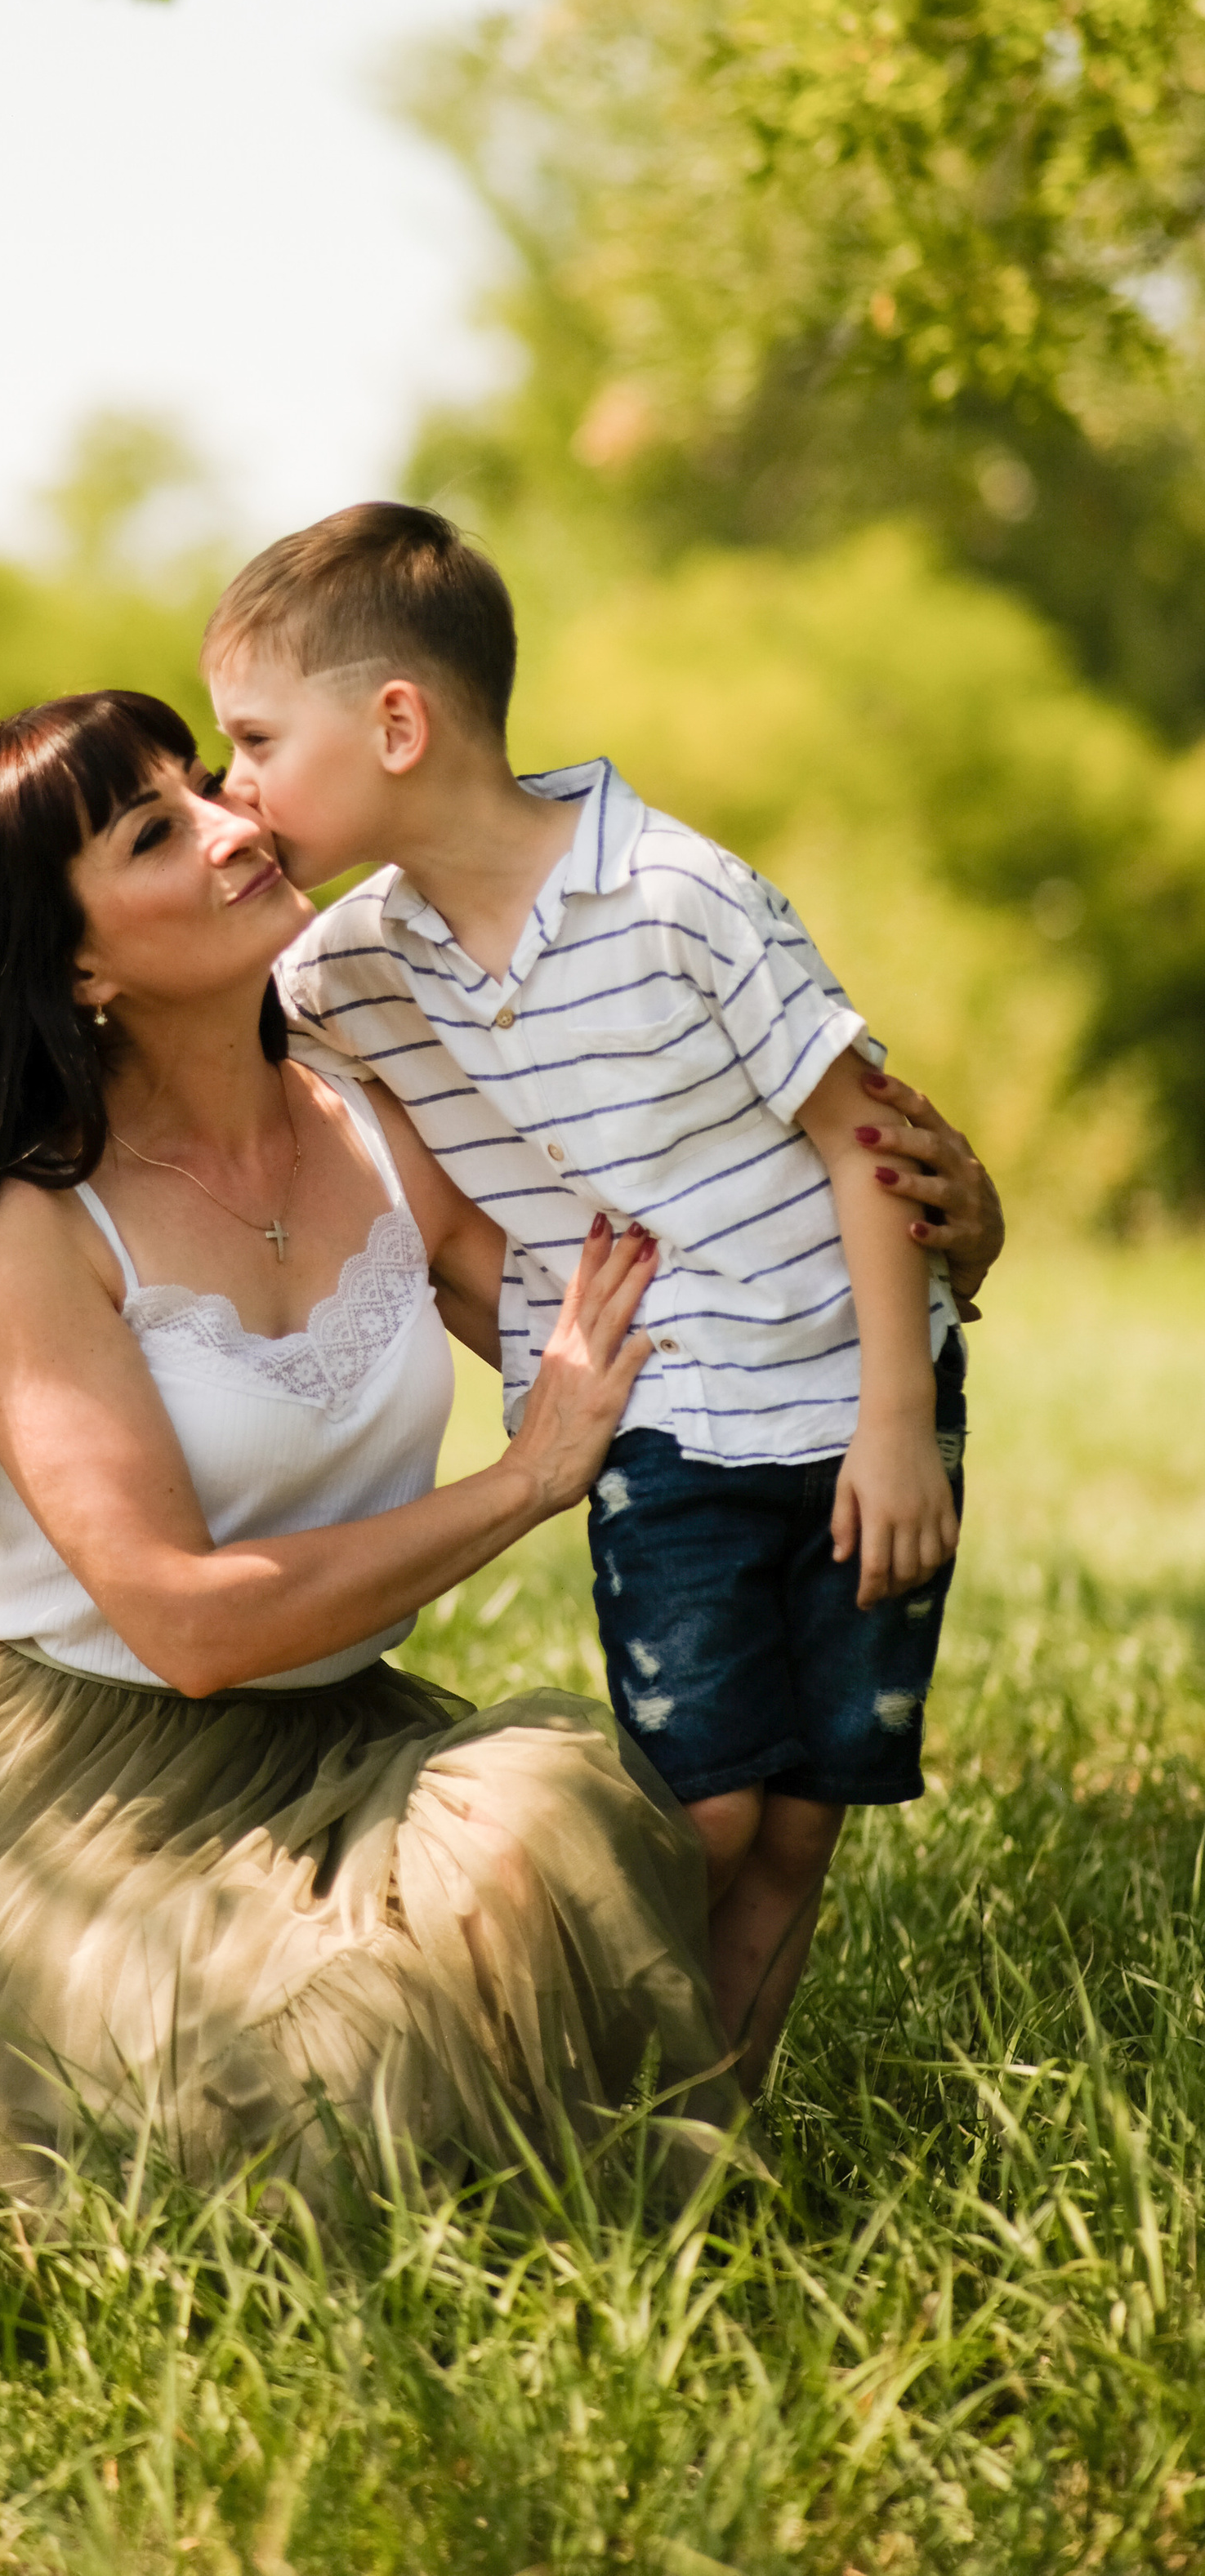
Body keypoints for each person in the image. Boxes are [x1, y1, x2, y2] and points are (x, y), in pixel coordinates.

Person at [0, 689, 754, 2208]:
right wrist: (522, 1483)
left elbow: (635, 1301)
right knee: (265, 2093)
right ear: (77, 963)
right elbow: (186, 1624)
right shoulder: (34, 1229)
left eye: (207, 786)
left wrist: (904, 1230)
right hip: (84, 1785)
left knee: (545, 1822)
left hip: (344, 1742)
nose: (236, 825)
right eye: (155, 832)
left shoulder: (373, 1121)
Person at [204, 504, 1005, 2091]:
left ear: (394, 721)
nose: (229, 790)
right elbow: (237, 1060)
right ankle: (608, 2107)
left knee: (799, 1816)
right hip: (667, 1422)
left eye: (248, 740)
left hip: (862, 1408)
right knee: (699, 1805)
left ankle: (716, 2135)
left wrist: (898, 1428)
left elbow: (866, 1147)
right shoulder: (349, 963)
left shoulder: (677, 895)